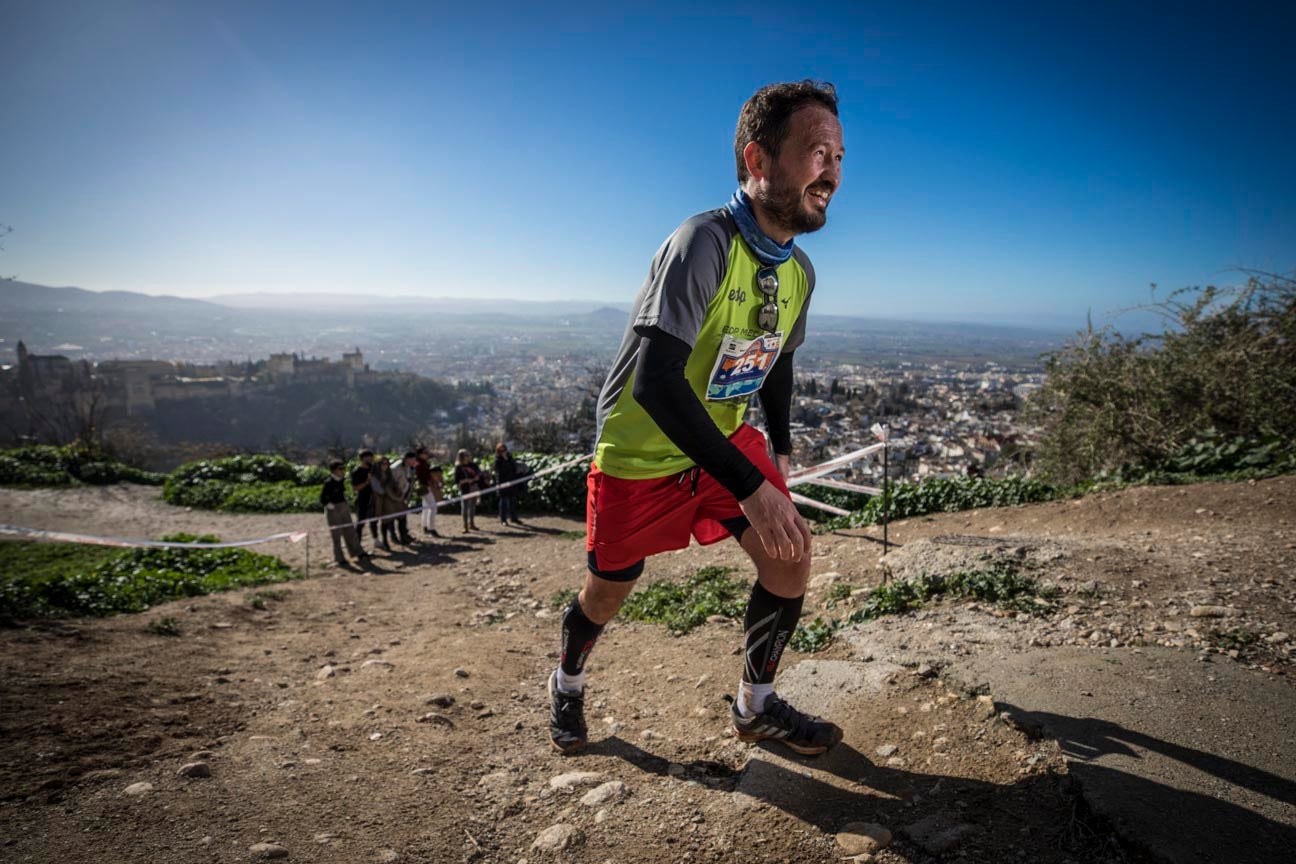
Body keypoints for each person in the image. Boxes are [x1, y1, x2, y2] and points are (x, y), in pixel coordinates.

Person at [547, 81, 845, 757]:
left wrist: (781, 451)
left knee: (790, 555)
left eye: (838, 156)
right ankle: (567, 680)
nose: (831, 171)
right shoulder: (703, 242)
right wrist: (752, 484)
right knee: (608, 592)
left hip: (722, 437)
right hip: (641, 452)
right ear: (758, 160)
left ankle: (755, 707)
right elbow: (655, 383)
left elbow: (779, 360)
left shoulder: (799, 271)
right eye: (815, 152)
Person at [320, 459, 369, 565]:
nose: (343, 471)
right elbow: (323, 498)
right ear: (334, 470)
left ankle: (357, 552)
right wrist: (330, 505)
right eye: (340, 469)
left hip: (343, 506)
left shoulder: (342, 480)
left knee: (350, 530)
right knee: (336, 534)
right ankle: (339, 557)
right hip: (333, 509)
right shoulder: (328, 482)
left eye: (343, 468)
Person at [369, 455, 399, 551]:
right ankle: (376, 539)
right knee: (375, 521)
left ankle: (386, 540)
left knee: (387, 521)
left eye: (387, 464)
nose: (385, 466)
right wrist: (388, 488)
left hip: (387, 500)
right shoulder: (374, 476)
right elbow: (379, 489)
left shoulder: (388, 474)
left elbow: (393, 484)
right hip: (377, 501)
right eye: (383, 464)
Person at [350, 450, 377, 545]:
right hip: (362, 499)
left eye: (371, 457)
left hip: (374, 498)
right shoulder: (356, 471)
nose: (370, 459)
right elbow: (355, 488)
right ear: (362, 458)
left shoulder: (373, 469)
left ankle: (376, 539)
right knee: (361, 522)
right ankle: (357, 542)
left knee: (374, 520)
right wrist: (366, 482)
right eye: (368, 457)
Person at [389, 451, 417, 544]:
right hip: (394, 496)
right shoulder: (395, 468)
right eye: (413, 459)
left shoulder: (408, 468)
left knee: (403, 517)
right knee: (392, 517)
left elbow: (407, 481)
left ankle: (404, 535)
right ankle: (393, 536)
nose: (414, 461)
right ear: (407, 459)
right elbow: (391, 482)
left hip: (403, 495)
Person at [415, 447, 443, 537]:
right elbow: (425, 477)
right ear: (420, 454)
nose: (426, 454)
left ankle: (425, 526)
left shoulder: (424, 463)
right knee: (433, 507)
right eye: (425, 453)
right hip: (425, 487)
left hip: (425, 486)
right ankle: (431, 528)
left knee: (426, 507)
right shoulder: (420, 464)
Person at [453, 448, 482, 532]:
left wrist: (476, 478)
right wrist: (466, 480)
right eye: (465, 455)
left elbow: (479, 474)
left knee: (472, 507)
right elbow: (457, 480)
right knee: (465, 508)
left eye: (468, 455)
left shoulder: (473, 465)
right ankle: (465, 526)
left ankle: (471, 524)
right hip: (465, 489)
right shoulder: (458, 467)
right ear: (461, 457)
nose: (468, 456)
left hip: (473, 488)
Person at [494, 442, 522, 526]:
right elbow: (498, 473)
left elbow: (514, 468)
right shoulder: (497, 460)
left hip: (512, 482)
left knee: (512, 501)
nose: (503, 452)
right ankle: (503, 520)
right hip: (502, 483)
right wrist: (499, 484)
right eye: (501, 450)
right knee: (503, 502)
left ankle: (513, 518)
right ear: (498, 451)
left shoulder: (510, 458)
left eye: (504, 450)